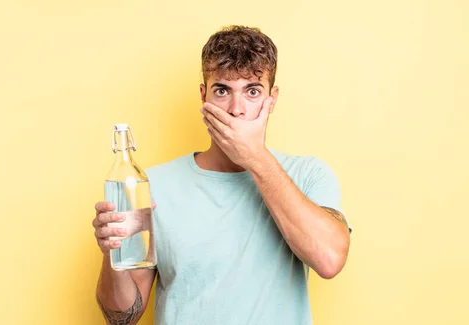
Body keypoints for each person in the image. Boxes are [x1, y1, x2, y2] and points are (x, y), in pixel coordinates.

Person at [92, 25, 352, 325]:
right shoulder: (152, 187)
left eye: (252, 91)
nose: (236, 109)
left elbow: (330, 259)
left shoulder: (308, 175)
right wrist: (113, 254)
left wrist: (255, 158)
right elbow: (123, 317)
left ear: (272, 99)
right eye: (222, 91)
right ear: (203, 96)